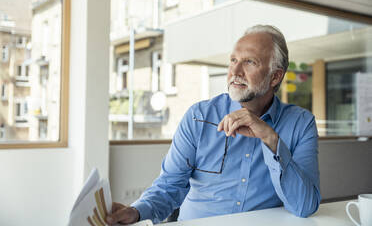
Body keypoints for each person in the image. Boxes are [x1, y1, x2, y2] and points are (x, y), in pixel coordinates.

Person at [106, 25, 321, 225]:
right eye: (233, 60)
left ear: (275, 77)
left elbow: (304, 206)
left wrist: (271, 141)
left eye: (249, 62)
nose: (235, 71)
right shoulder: (198, 117)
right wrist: (135, 212)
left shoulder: (301, 124)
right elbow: (169, 186)